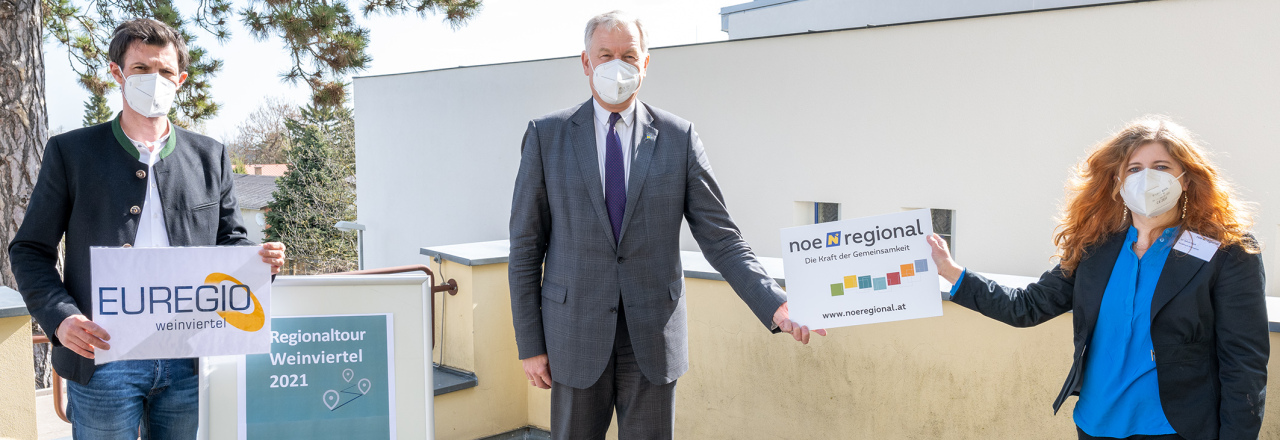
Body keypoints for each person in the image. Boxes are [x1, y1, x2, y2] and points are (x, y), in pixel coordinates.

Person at [508, 10, 823, 439]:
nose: (617, 65)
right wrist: (531, 345)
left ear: (645, 64)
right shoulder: (547, 136)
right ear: (586, 63)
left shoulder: (679, 137)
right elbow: (526, 247)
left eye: (628, 55)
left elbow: (722, 238)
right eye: (605, 55)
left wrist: (775, 303)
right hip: (573, 337)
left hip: (652, 341)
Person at [10, 18, 287, 439]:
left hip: (192, 361)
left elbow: (229, 241)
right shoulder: (71, 152)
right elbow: (29, 250)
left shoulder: (210, 156)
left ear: (181, 80)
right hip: (102, 358)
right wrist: (61, 320)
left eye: (165, 71)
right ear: (116, 73)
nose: (154, 79)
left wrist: (259, 262)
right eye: (141, 69)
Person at [929, 117, 1266, 440]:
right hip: (1096, 424)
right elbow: (1026, 307)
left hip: (1177, 428)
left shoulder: (1225, 252)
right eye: (1134, 169)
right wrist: (950, 271)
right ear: (1118, 184)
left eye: (1161, 167)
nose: (1147, 178)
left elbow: (1244, 363)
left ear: (1186, 179)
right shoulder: (1095, 248)